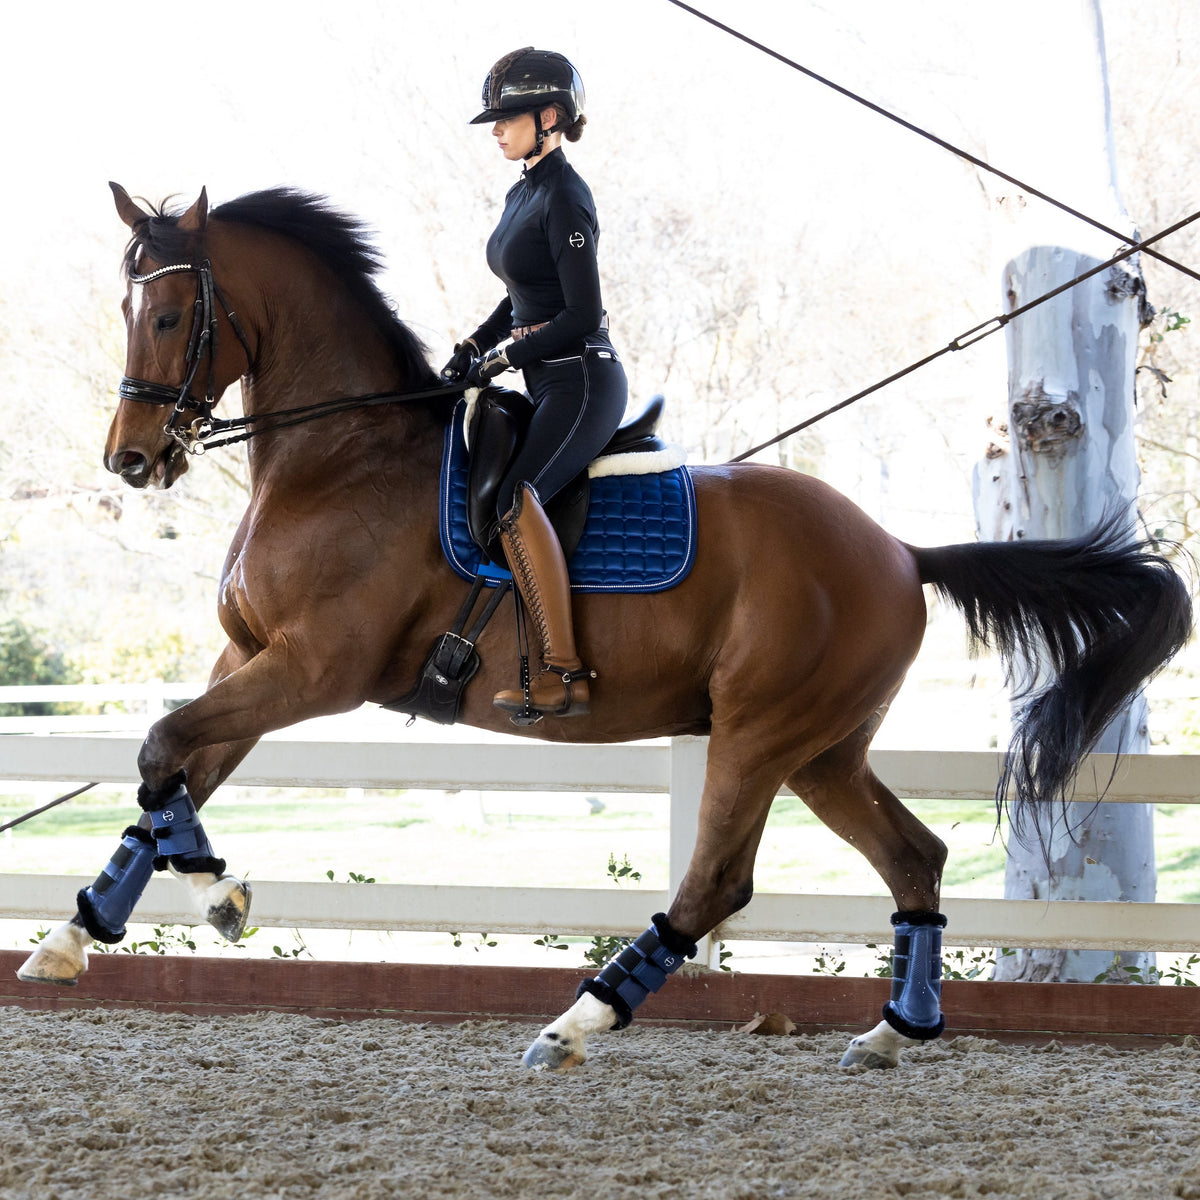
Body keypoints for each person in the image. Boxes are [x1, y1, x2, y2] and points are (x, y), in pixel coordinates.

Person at [442, 47, 628, 720]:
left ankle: (563, 673)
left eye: (507, 118)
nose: (495, 129)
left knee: (518, 500)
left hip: (580, 379)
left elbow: (579, 314)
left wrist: (503, 363)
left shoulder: (565, 196)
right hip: (546, 375)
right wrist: (474, 345)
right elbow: (522, 293)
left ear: (549, 117)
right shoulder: (524, 190)